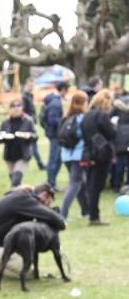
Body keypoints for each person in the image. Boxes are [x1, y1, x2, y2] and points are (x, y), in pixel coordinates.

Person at [0, 182, 66, 277]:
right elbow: (51, 217)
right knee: (28, 273)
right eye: (48, 203)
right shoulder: (25, 200)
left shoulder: (18, 196)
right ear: (44, 195)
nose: (47, 206)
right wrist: (62, 224)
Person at [81, 88, 116, 226]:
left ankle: (92, 213)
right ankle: (94, 216)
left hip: (89, 153)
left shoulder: (87, 115)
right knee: (96, 185)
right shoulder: (101, 116)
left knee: (91, 184)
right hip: (101, 153)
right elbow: (112, 133)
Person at [60, 91, 89, 222]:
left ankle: (85, 211)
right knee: (75, 183)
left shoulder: (66, 117)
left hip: (66, 155)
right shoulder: (82, 117)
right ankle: (62, 215)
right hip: (78, 154)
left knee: (81, 182)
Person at [0, 98, 37, 187]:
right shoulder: (5, 122)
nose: (16, 108)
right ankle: (21, 196)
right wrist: (2, 136)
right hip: (9, 155)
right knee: (15, 182)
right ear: (10, 108)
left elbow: (35, 136)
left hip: (23, 155)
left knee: (15, 181)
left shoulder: (28, 120)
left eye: (18, 105)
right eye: (13, 106)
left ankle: (13, 198)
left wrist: (28, 135)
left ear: (22, 107)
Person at [40, 81, 69, 191]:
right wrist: (63, 123)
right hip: (56, 135)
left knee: (56, 159)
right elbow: (53, 120)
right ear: (63, 90)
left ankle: (52, 182)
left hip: (54, 134)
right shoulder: (56, 103)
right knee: (54, 159)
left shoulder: (52, 101)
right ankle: (51, 183)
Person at [22, 78, 46, 170]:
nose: (32, 87)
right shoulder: (24, 97)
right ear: (26, 85)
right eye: (30, 85)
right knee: (33, 145)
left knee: (33, 145)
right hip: (28, 123)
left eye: (33, 85)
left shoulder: (30, 96)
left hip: (31, 122)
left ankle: (38, 163)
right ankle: (40, 164)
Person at [111, 91, 129, 192]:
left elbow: (110, 118)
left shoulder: (117, 106)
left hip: (120, 136)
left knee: (119, 163)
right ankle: (127, 185)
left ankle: (116, 185)